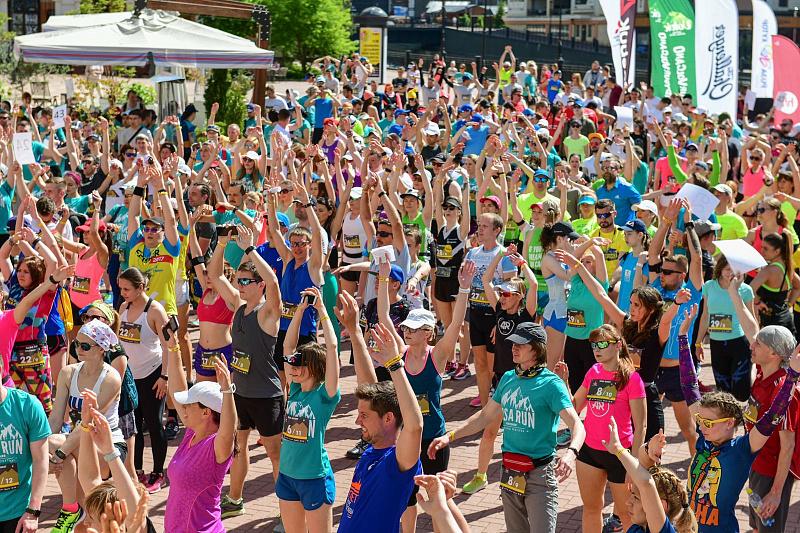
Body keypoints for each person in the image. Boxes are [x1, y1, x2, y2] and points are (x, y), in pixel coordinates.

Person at [428, 322, 585, 533]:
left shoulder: (551, 384)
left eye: (521, 344)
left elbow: (577, 425)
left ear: (537, 349)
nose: (514, 348)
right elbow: (485, 416)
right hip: (510, 470)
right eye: (513, 343)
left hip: (540, 475)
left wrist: (570, 454)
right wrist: (450, 436)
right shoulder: (509, 379)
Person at [667, 303, 800, 532]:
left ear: (730, 424)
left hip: (767, 473)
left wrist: (793, 376)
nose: (702, 427)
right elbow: (688, 385)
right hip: (753, 473)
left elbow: (773, 419)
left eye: (708, 422)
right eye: (701, 421)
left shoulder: (740, 449)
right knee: (758, 524)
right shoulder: (706, 440)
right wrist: (682, 338)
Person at [209, 226, 284, 520]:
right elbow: (215, 276)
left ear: (259, 284)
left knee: (275, 454)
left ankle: (284, 513)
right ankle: (235, 498)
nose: (239, 285)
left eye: (245, 281)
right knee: (238, 448)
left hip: (267, 396)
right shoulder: (238, 306)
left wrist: (251, 249)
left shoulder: (268, 313)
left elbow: (274, 280)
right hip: (241, 393)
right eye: (238, 280)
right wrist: (222, 245)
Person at [336, 298, 423, 533]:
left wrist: (395, 365)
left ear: (388, 419)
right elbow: (368, 386)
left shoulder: (398, 461)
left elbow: (415, 426)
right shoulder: (374, 448)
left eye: (364, 416)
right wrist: (355, 332)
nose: (357, 421)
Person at [47, 318, 123, 531]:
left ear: (101, 349)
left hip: (106, 444)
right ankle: (72, 508)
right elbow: (55, 418)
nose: (78, 349)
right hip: (77, 441)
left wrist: (59, 453)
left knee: (97, 513)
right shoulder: (68, 373)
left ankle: (70, 510)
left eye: (85, 345)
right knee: (86, 519)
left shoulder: (111, 378)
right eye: (76, 344)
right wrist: (45, 453)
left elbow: (88, 423)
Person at [277, 286, 340, 533]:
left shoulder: (325, 396)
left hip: (314, 478)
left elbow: (332, 349)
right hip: (287, 476)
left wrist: (322, 309)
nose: (292, 365)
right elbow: (287, 346)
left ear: (314, 367)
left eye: (299, 363)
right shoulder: (294, 390)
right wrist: (301, 311)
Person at [163, 326, 235, 532]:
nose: (183, 409)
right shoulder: (192, 433)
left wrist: (227, 390)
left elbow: (229, 428)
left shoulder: (217, 447)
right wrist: (173, 348)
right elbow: (177, 388)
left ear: (206, 413)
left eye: (189, 405)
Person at [116, 267, 170, 494]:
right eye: (120, 289)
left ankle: (158, 473)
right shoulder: (123, 307)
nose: (123, 293)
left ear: (141, 288)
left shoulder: (155, 311)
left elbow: (169, 346)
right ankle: (136, 470)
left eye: (127, 289)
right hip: (130, 377)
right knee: (133, 426)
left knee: (155, 424)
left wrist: (164, 377)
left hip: (152, 375)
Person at [601, 418, 697, 533]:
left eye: (636, 498)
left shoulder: (665, 531)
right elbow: (643, 469)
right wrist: (648, 450)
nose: (628, 502)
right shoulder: (637, 527)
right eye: (633, 495)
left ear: (661, 505)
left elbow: (646, 483)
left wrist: (618, 449)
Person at [695, 256, 756, 401]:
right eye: (728, 269)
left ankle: (743, 418)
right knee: (723, 390)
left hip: (739, 343)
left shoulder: (746, 289)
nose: (731, 273)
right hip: (717, 344)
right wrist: (698, 342)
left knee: (741, 389)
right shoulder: (709, 286)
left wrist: (756, 343)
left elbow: (752, 318)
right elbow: (704, 316)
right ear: (720, 268)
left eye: (735, 270)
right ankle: (729, 421)